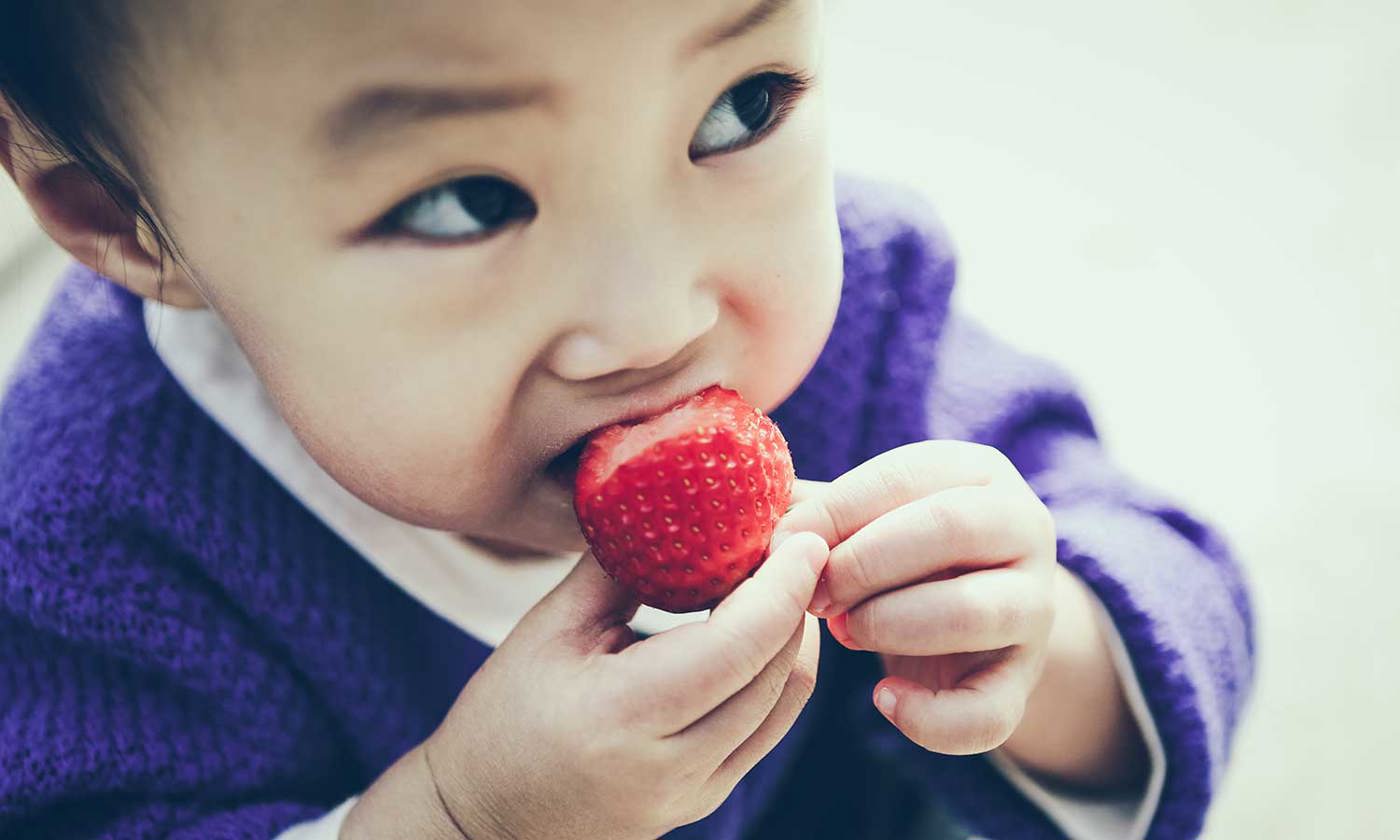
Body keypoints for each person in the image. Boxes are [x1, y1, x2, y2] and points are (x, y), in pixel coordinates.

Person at [0, 2, 1253, 837]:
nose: (658, 320)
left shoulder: (863, 306)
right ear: (124, 220)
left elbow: (1166, 576)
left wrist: (1040, 647)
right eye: (464, 201)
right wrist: (460, 819)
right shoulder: (86, 532)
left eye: (738, 109)